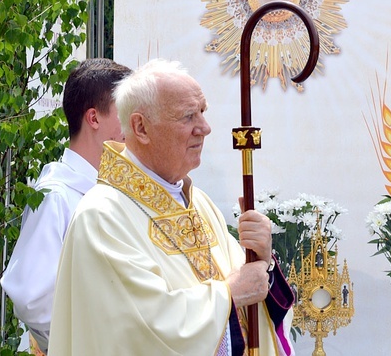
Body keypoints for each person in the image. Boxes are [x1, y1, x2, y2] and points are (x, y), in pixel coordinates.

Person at [48, 59, 294, 355]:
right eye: (188, 117)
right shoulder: (102, 216)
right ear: (140, 127)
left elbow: (251, 290)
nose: (205, 128)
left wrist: (261, 259)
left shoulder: (198, 203)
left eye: (202, 112)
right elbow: (141, 330)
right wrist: (228, 295)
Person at [0, 58, 132, 355]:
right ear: (94, 118)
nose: (133, 126)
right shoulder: (56, 195)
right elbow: (32, 298)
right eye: (124, 112)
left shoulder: (115, 190)